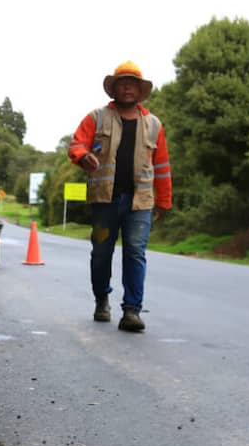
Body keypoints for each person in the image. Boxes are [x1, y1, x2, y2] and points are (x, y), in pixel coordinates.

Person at [67, 61, 172, 332]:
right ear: (114, 89)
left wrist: (164, 201)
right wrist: (83, 156)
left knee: (135, 253)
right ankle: (102, 299)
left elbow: (161, 166)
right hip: (105, 201)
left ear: (140, 90)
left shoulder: (153, 125)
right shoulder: (97, 118)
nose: (127, 87)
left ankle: (132, 311)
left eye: (132, 83)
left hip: (140, 203)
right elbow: (76, 143)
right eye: (122, 83)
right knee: (101, 253)